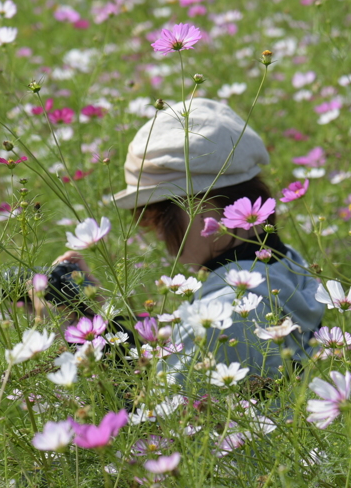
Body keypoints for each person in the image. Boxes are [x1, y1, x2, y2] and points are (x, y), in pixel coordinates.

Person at [55, 97, 323, 384]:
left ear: (207, 208)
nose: (158, 234)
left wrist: (82, 331)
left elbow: (167, 411)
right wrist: (91, 314)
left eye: (160, 218)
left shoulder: (231, 312)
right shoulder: (282, 262)